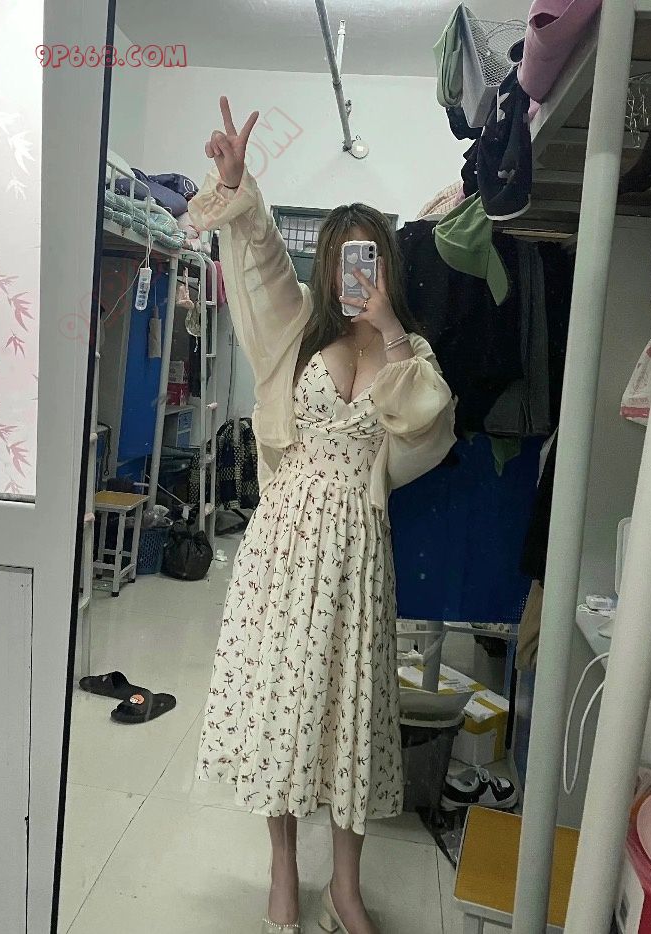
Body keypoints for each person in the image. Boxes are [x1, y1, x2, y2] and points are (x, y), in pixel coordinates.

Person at [189, 97, 456, 934]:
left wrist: (391, 331)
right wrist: (242, 190)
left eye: (368, 259)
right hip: (283, 542)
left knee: (350, 715)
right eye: (342, 259)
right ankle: (282, 865)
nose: (354, 275)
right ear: (328, 264)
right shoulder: (299, 327)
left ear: (387, 265)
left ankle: (345, 888)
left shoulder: (410, 352)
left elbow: (428, 423)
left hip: (356, 552)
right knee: (279, 703)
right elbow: (265, 262)